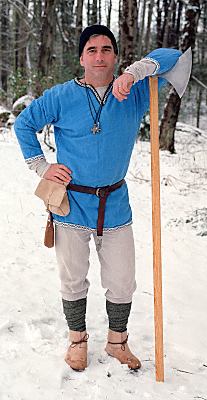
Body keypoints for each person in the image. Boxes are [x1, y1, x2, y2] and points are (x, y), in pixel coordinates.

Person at [14, 24, 181, 372]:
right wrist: (41, 165)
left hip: (115, 203)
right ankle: (77, 341)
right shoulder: (62, 96)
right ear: (81, 57)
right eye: (92, 50)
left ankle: (117, 341)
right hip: (71, 204)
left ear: (116, 56)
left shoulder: (135, 92)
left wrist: (137, 71)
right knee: (73, 277)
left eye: (107, 49)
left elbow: (175, 59)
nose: (100, 56)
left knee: (122, 279)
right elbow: (24, 124)